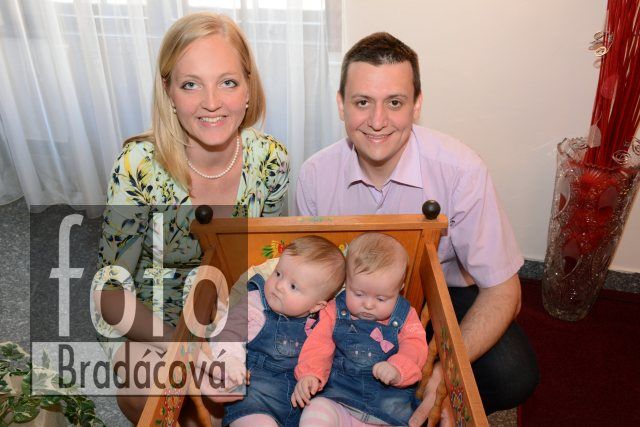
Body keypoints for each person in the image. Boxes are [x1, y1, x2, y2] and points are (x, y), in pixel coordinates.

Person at [295, 32, 539, 423]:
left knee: (514, 374)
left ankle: (408, 397)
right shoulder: (314, 175)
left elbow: (504, 290)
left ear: (417, 105)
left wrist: (446, 370)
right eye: (362, 102)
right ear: (341, 104)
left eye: (394, 102)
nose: (377, 121)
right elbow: (309, 276)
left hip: (441, 296)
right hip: (351, 302)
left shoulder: (461, 170)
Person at [92, 12, 289, 424]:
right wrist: (185, 348)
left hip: (236, 304)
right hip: (151, 317)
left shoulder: (272, 160)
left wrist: (235, 331)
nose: (211, 102)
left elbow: (267, 258)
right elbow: (110, 293)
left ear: (249, 88)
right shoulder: (137, 165)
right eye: (191, 84)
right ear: (169, 92)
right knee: (152, 394)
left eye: (228, 82)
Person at [291, 233, 427, 426]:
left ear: (400, 288)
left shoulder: (406, 316)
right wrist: (311, 373)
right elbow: (319, 344)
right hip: (338, 397)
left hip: (386, 409)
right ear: (346, 283)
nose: (368, 305)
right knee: (314, 411)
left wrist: (398, 368)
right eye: (359, 294)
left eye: (381, 298)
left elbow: (416, 346)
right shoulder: (334, 310)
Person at [215, 235, 346, 427]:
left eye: (293, 286)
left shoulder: (322, 322)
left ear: (316, 306)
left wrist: (314, 377)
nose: (279, 285)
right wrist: (229, 359)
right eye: (278, 274)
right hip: (254, 397)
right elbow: (229, 332)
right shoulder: (255, 303)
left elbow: (326, 355)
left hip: (300, 404)